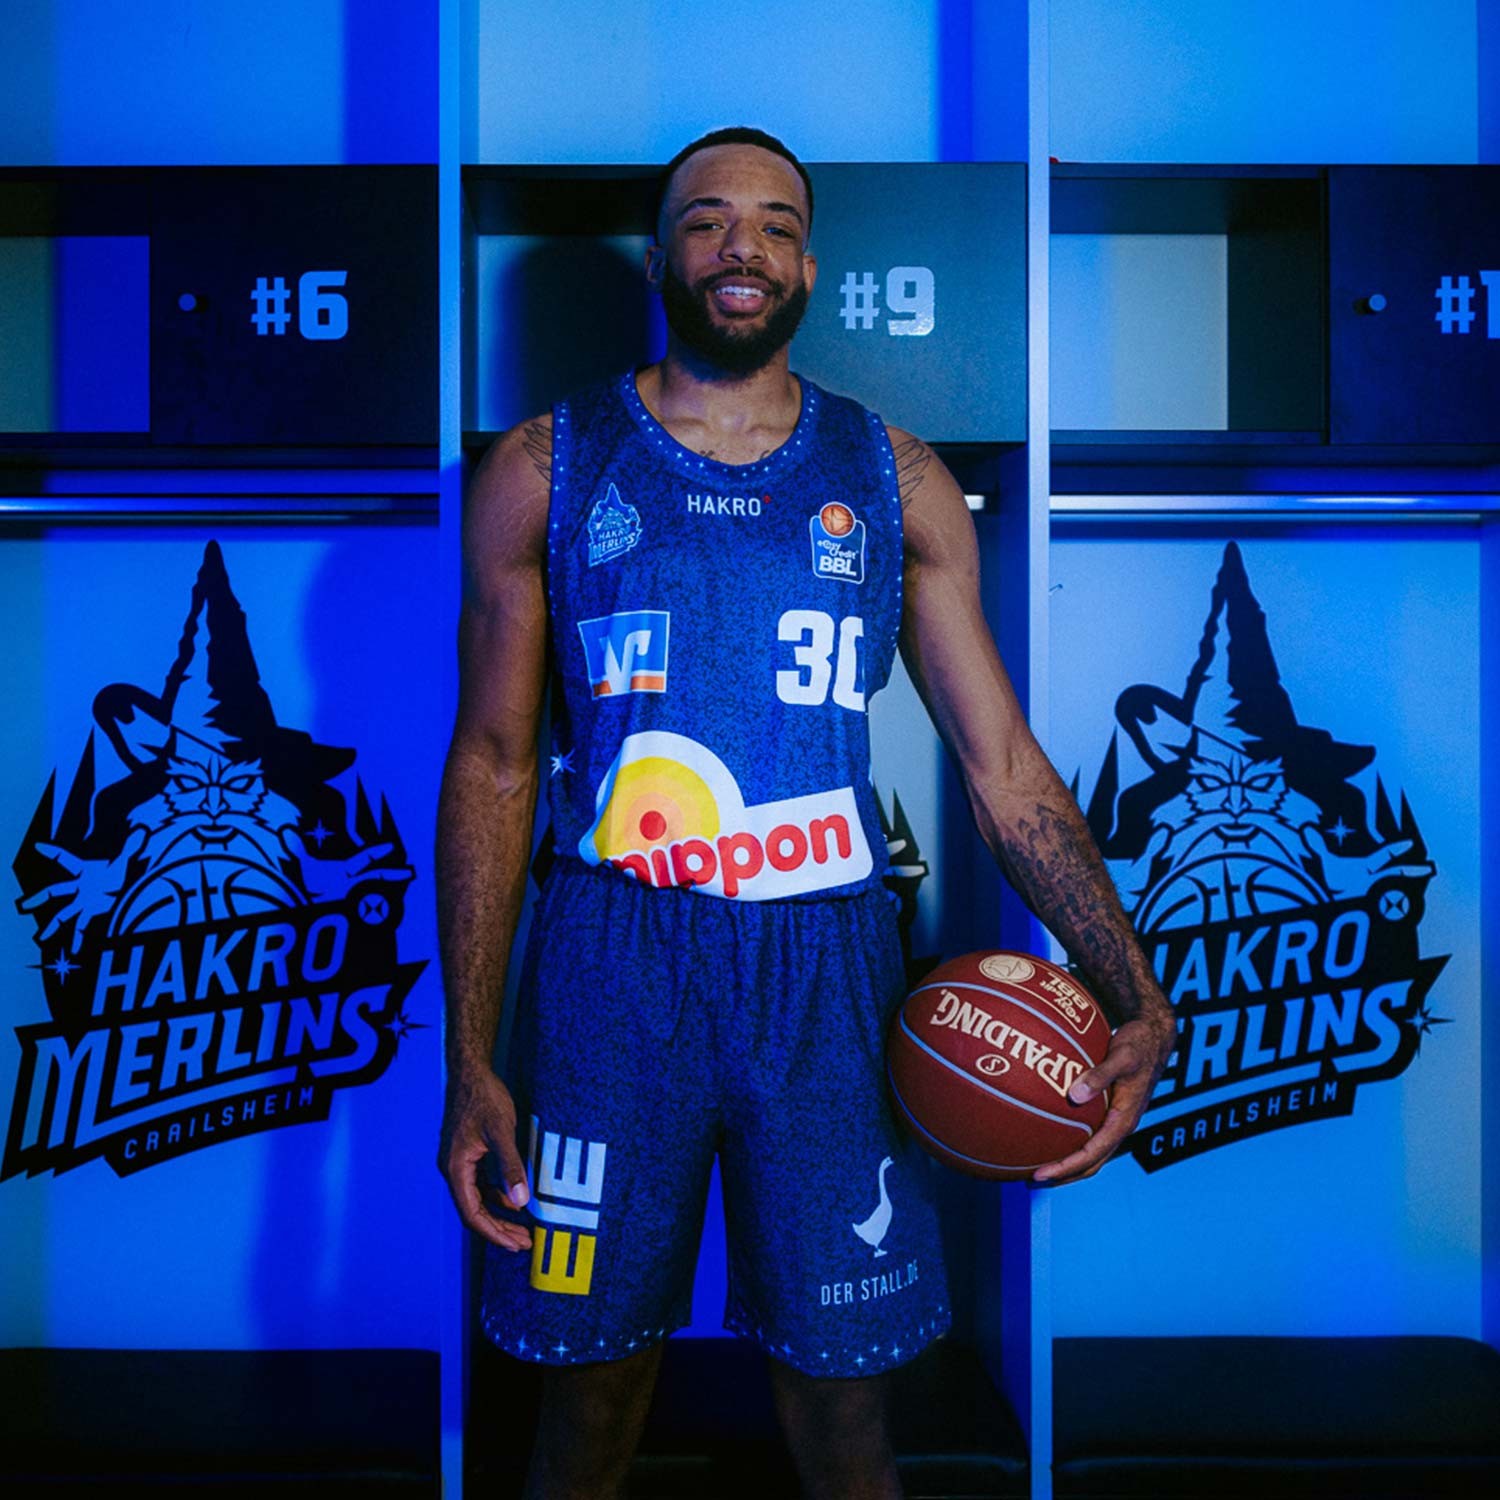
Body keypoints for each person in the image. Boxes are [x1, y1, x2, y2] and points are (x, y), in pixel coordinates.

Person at [438, 126, 1177, 1500]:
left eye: (776, 224)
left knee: (845, 1411)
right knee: (585, 1402)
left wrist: (1132, 989)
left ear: (810, 268)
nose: (744, 247)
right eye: (708, 220)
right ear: (659, 258)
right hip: (611, 966)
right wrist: (470, 1060)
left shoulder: (895, 477)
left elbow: (1002, 764)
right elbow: (490, 762)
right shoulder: (547, 467)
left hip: (826, 970)